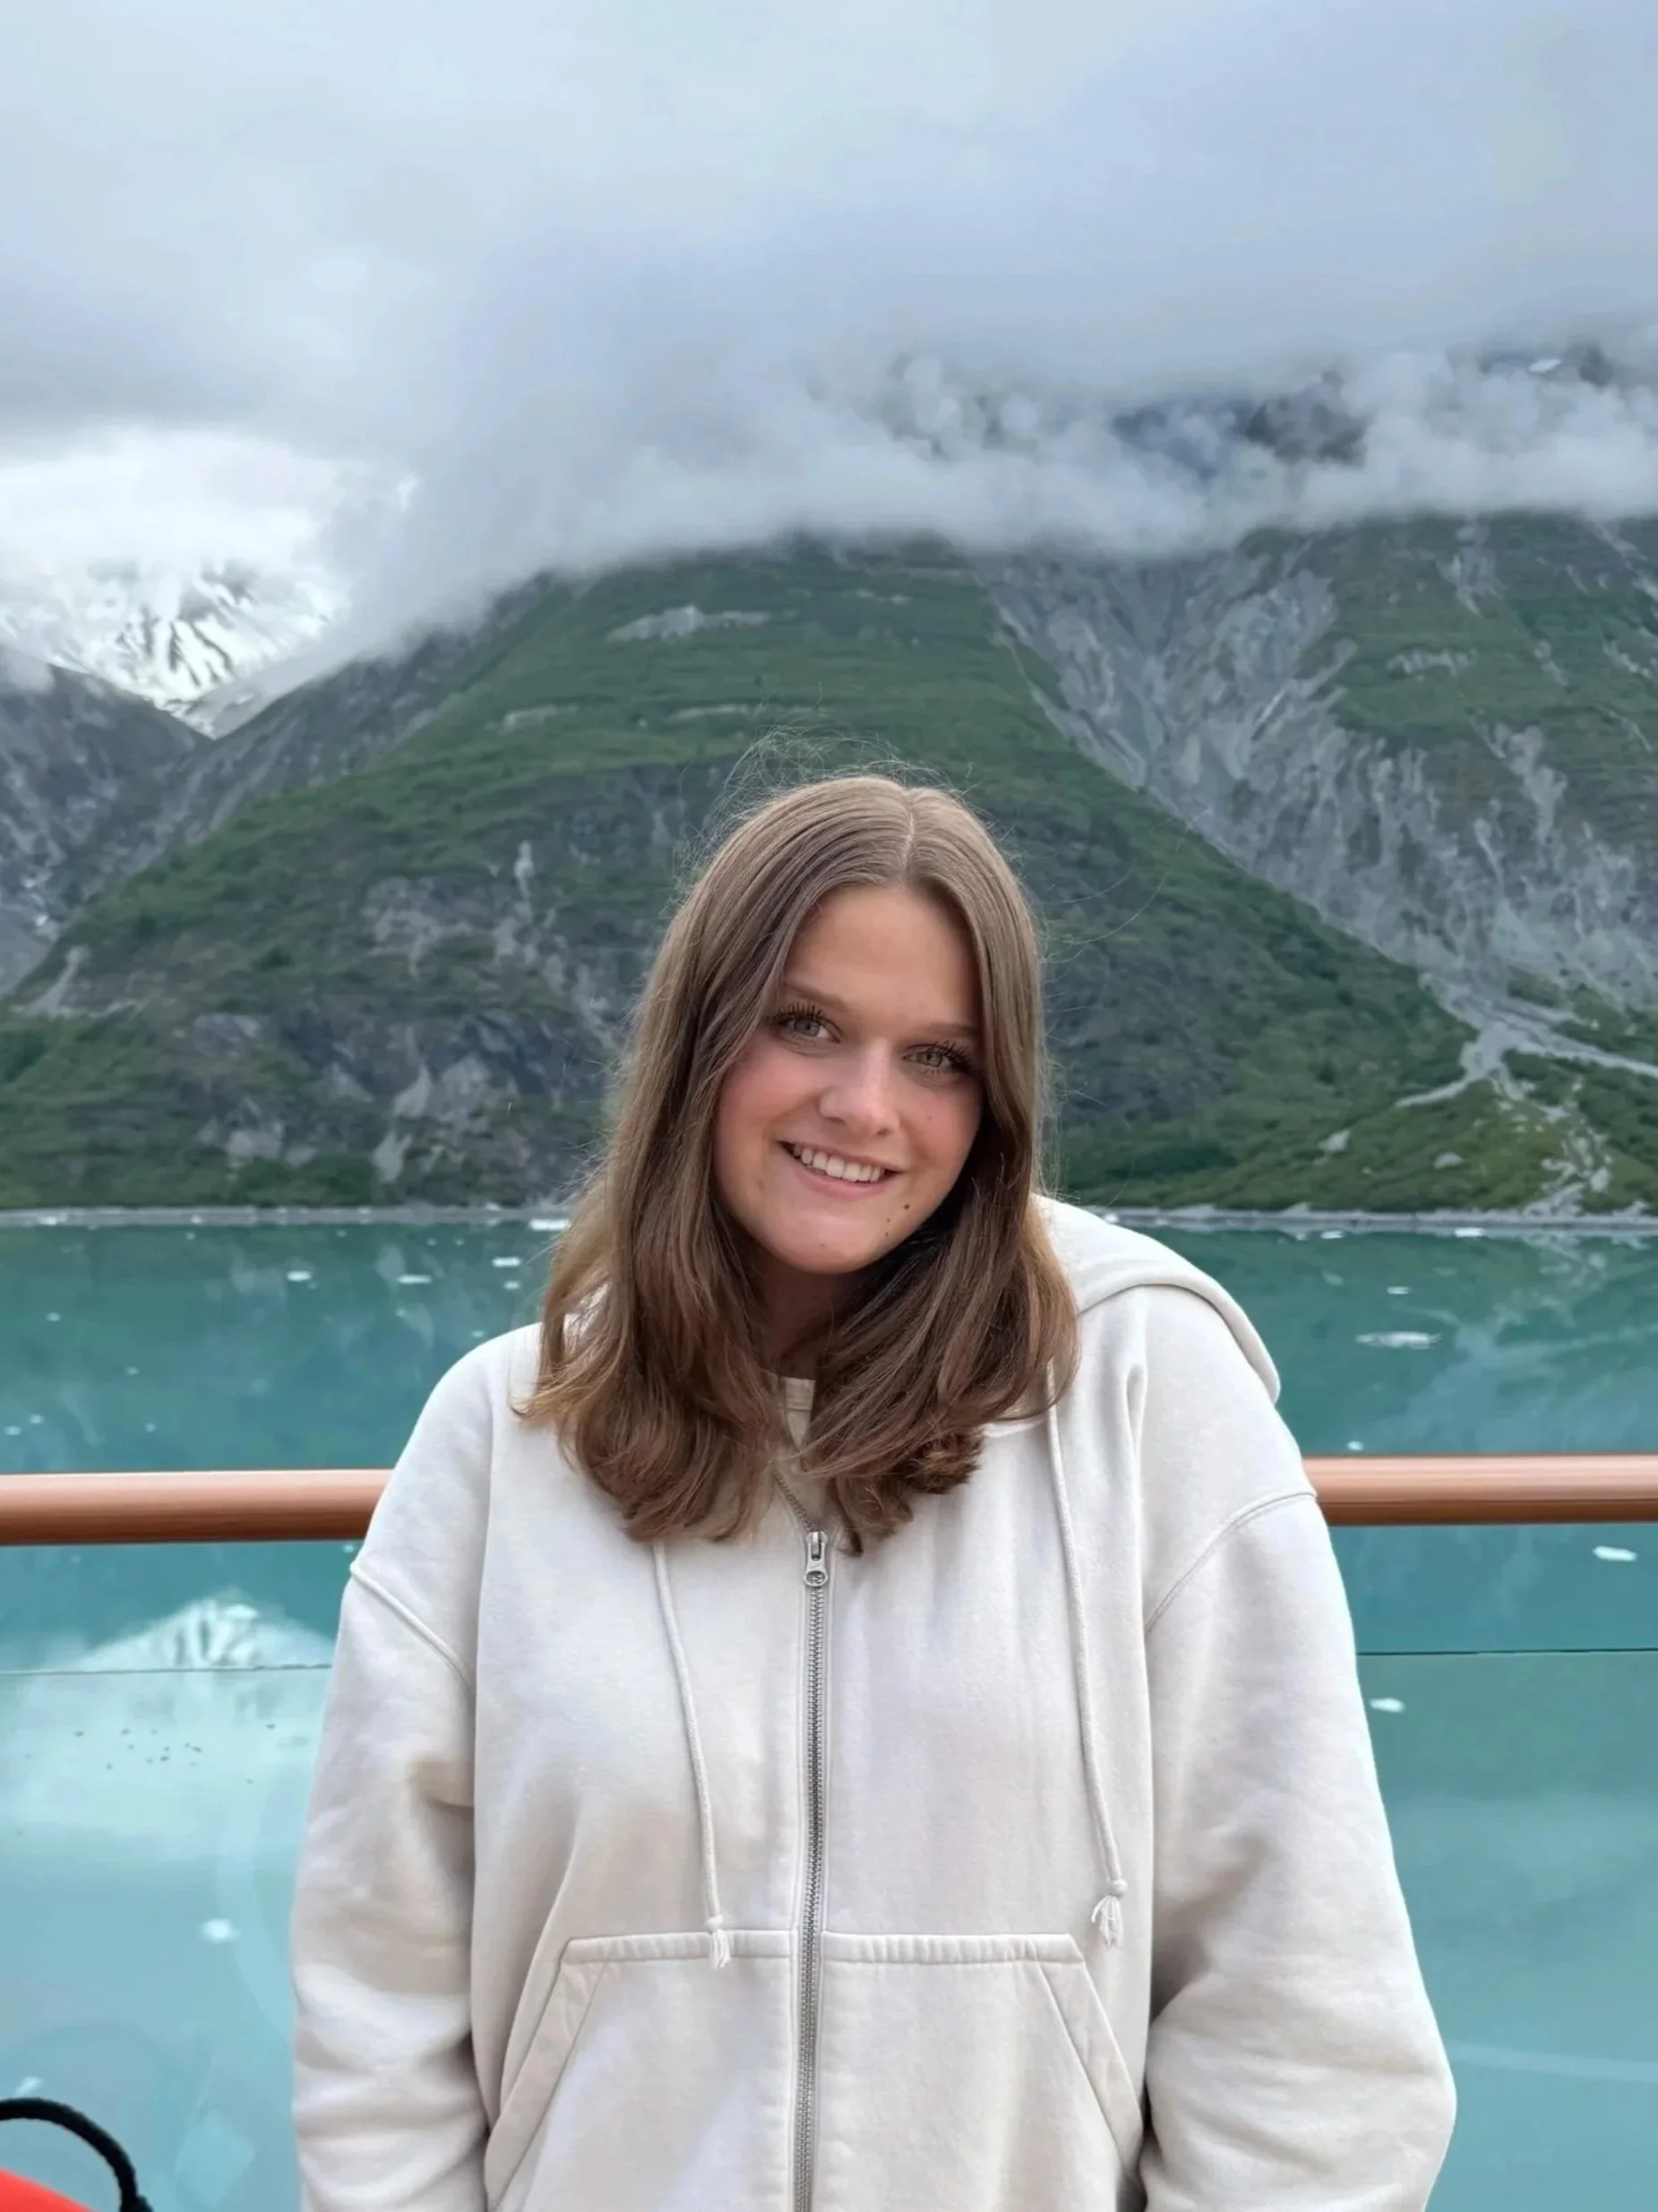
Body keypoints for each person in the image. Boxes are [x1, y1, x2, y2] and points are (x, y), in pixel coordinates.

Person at [291, 774, 1455, 2212]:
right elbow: (377, 1996)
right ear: (700, 1042)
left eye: (939, 1059)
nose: (863, 1108)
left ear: (998, 1101)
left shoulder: (1150, 1397)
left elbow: (1303, 2001)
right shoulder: (503, 1435)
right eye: (806, 1026)